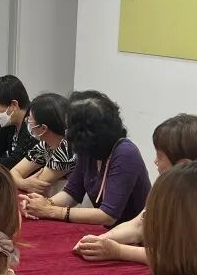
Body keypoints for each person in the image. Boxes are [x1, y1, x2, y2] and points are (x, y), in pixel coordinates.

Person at [75, 113, 197, 264]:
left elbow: (183, 258)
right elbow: (138, 226)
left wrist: (118, 251)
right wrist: (100, 241)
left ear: (183, 165)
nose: (155, 161)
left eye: (160, 156)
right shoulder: (167, 188)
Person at [22, 91, 149, 226]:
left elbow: (108, 215)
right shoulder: (89, 150)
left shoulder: (125, 153)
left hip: (135, 234)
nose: (66, 132)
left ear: (86, 133)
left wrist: (51, 210)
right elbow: (72, 192)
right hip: (108, 231)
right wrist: (44, 204)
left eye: (69, 127)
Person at [10, 93, 75, 195]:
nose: (27, 121)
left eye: (30, 119)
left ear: (43, 128)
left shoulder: (67, 148)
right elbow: (13, 172)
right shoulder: (45, 144)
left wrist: (22, 182)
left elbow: (37, 184)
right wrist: (22, 183)